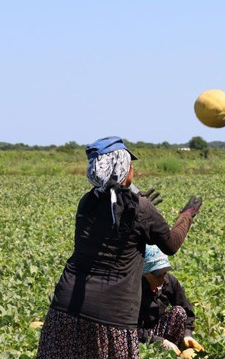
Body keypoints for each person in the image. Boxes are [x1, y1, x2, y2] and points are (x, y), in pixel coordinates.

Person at [36, 136, 203, 359]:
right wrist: (187, 215)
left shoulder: (87, 201)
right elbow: (171, 244)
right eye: (130, 164)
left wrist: (136, 199)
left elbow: (113, 220)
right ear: (123, 169)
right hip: (111, 315)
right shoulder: (140, 208)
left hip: (66, 308)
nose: (133, 169)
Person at [138, 245, 203, 356]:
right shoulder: (135, 289)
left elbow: (187, 311)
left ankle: (173, 351)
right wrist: (159, 341)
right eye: (158, 276)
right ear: (145, 273)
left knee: (179, 311)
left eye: (164, 273)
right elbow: (132, 329)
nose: (162, 279)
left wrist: (187, 334)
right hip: (141, 338)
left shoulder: (170, 281)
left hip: (160, 329)